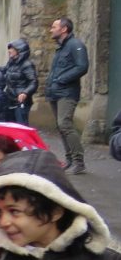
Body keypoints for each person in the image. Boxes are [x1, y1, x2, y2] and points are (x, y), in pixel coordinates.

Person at [45, 17, 89, 175]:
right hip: (55, 92)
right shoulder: (61, 48)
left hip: (67, 93)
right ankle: (70, 160)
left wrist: (61, 80)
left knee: (65, 124)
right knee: (61, 127)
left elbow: (82, 66)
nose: (51, 29)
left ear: (64, 29)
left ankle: (79, 162)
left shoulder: (75, 45)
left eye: (54, 26)